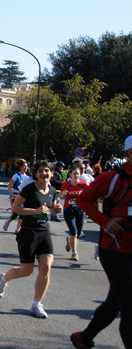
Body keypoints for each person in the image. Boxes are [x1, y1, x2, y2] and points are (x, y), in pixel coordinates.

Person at [70, 135, 132, 349]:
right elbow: (82, 199)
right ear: (129, 153)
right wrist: (104, 221)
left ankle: (83, 338)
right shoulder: (113, 177)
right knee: (129, 306)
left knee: (114, 303)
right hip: (114, 248)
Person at [0, 160, 62, 318]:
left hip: (44, 232)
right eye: (41, 171)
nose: (44, 174)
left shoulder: (52, 190)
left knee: (46, 268)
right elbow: (15, 208)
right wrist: (35, 210)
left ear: (51, 173)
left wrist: (56, 209)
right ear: (36, 174)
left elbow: (50, 209)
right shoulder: (29, 189)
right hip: (28, 233)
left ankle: (36, 304)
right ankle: (3, 278)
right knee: (26, 271)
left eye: (47, 171)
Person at [58, 166, 88, 261]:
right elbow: (60, 195)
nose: (76, 176)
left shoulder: (84, 184)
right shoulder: (66, 184)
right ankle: (74, 253)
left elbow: (89, 195)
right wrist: (63, 194)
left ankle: (69, 240)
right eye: (74, 174)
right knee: (73, 232)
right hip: (68, 211)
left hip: (80, 211)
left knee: (78, 234)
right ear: (70, 175)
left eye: (78, 174)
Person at [4, 159, 29, 233]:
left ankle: (18, 228)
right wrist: (12, 194)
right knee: (15, 214)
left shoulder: (27, 177)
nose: (25, 168)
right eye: (24, 166)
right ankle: (8, 222)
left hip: (23, 197)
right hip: (15, 196)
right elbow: (9, 186)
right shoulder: (16, 176)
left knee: (22, 214)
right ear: (21, 167)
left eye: (26, 166)